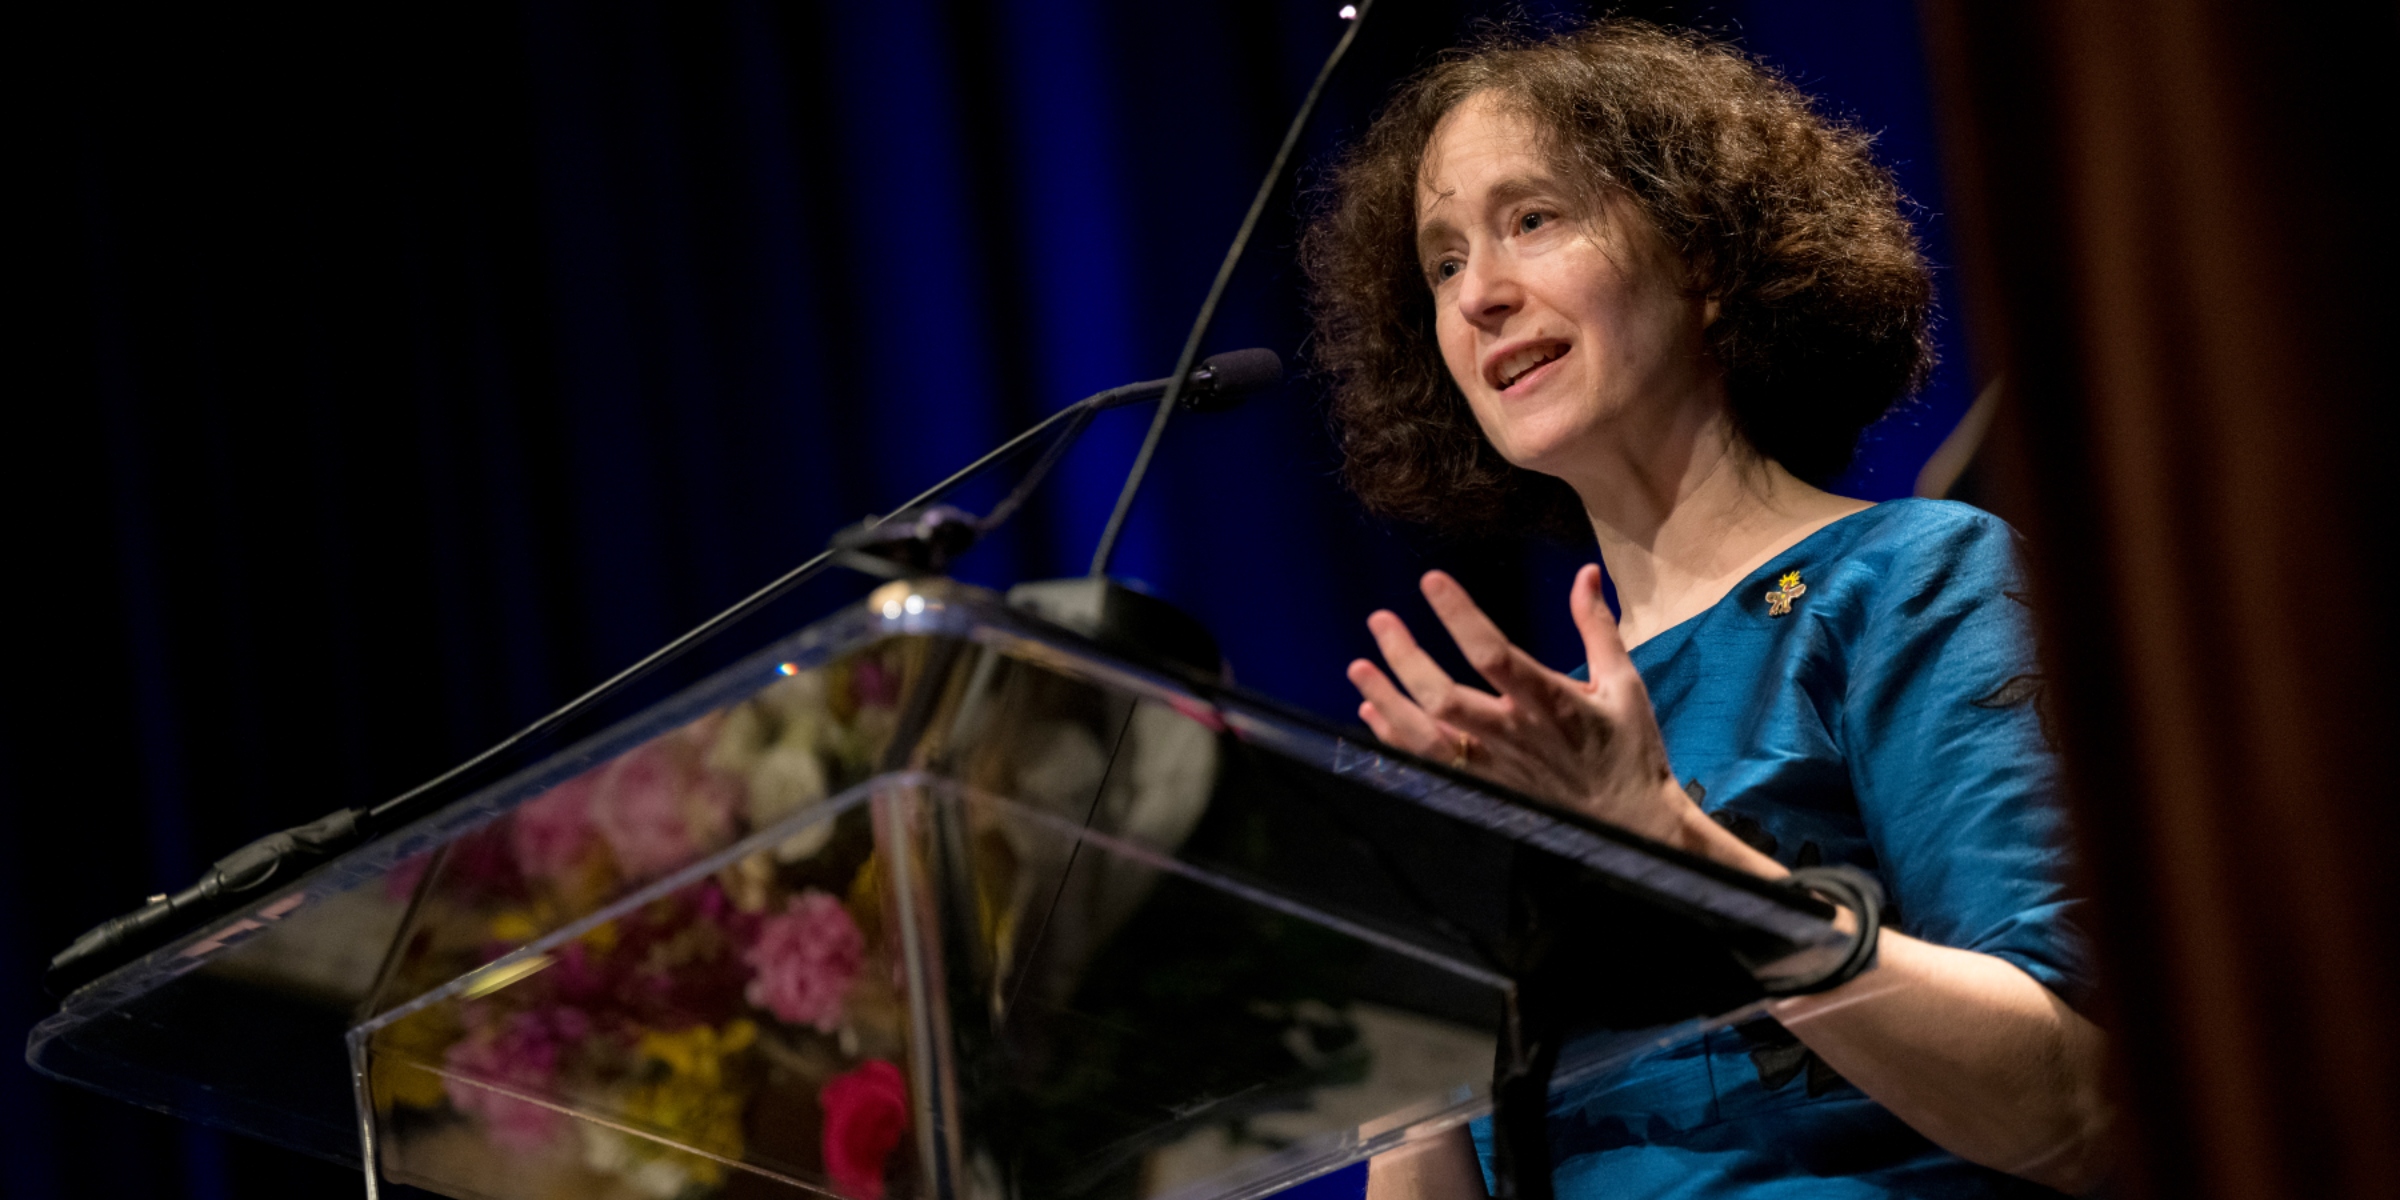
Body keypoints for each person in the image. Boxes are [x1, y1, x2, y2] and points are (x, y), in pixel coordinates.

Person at [1299, 22, 2110, 1198]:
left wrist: (1673, 846)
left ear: (1707, 258)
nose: (1479, 294)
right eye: (1441, 262)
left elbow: (2077, 1103)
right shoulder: (1533, 749)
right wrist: (1405, 998)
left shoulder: (1909, 580)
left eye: (1532, 219)